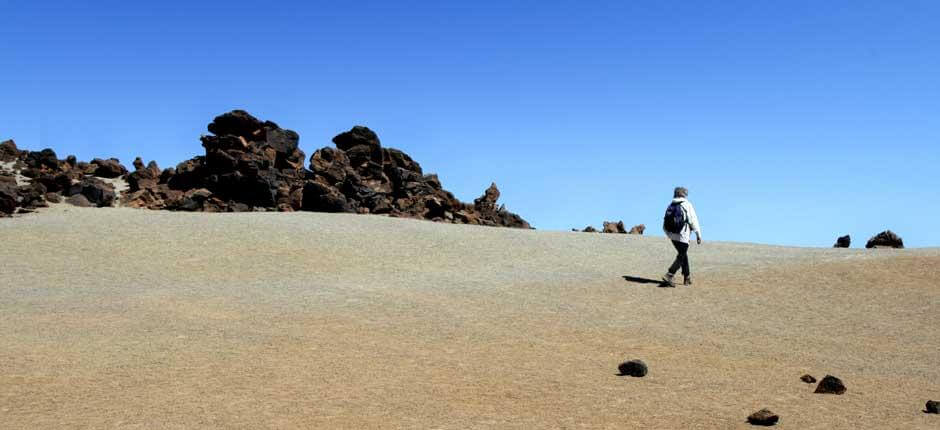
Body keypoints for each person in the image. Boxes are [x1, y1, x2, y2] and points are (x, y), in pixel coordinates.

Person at [662, 187, 701, 287]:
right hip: (682, 234)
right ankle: (669, 274)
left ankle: (687, 277)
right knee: (681, 256)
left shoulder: (671, 204)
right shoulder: (687, 204)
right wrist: (698, 234)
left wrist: (667, 233)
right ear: (684, 194)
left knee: (683, 254)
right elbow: (693, 220)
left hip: (671, 234)